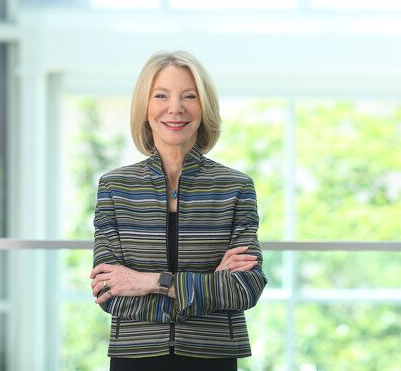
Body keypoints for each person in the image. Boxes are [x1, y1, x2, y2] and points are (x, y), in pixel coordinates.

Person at [89, 50, 268, 371]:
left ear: (205, 107)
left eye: (190, 96)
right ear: (145, 107)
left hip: (212, 356)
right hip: (135, 356)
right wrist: (207, 287)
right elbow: (107, 290)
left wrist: (149, 282)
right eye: (161, 95)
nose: (175, 108)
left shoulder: (235, 187)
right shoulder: (115, 187)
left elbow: (245, 287)